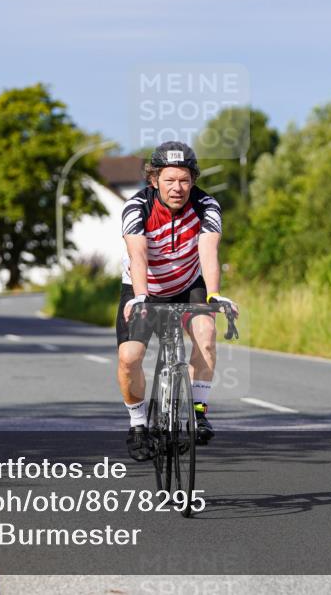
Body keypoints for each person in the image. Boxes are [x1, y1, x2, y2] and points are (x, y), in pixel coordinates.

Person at [117, 141, 238, 461]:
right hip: (145, 287)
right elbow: (138, 255)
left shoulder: (207, 206)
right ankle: (138, 424)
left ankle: (198, 411)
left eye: (185, 180)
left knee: (206, 335)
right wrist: (142, 297)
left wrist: (213, 294)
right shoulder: (136, 207)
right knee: (130, 357)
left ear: (193, 180)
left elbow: (209, 251)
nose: (178, 188)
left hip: (189, 283)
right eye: (169, 180)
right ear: (154, 180)